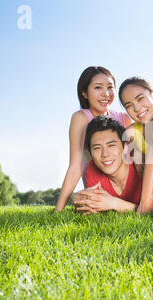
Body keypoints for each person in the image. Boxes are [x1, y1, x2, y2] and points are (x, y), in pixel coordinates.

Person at [55, 66, 131, 212]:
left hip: (126, 186)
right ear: (84, 93)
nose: (106, 94)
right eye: (98, 88)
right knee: (80, 199)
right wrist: (59, 209)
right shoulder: (81, 118)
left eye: (110, 87)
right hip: (99, 187)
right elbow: (76, 166)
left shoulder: (124, 119)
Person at [73, 116, 142, 214]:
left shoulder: (140, 165)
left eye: (111, 145)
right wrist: (79, 198)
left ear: (126, 147)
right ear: (90, 153)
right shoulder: (93, 169)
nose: (105, 154)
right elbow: (90, 203)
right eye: (97, 148)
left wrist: (114, 204)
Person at [118, 76, 153, 213]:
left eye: (140, 98)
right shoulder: (132, 131)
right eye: (129, 106)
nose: (137, 108)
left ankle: (146, 205)